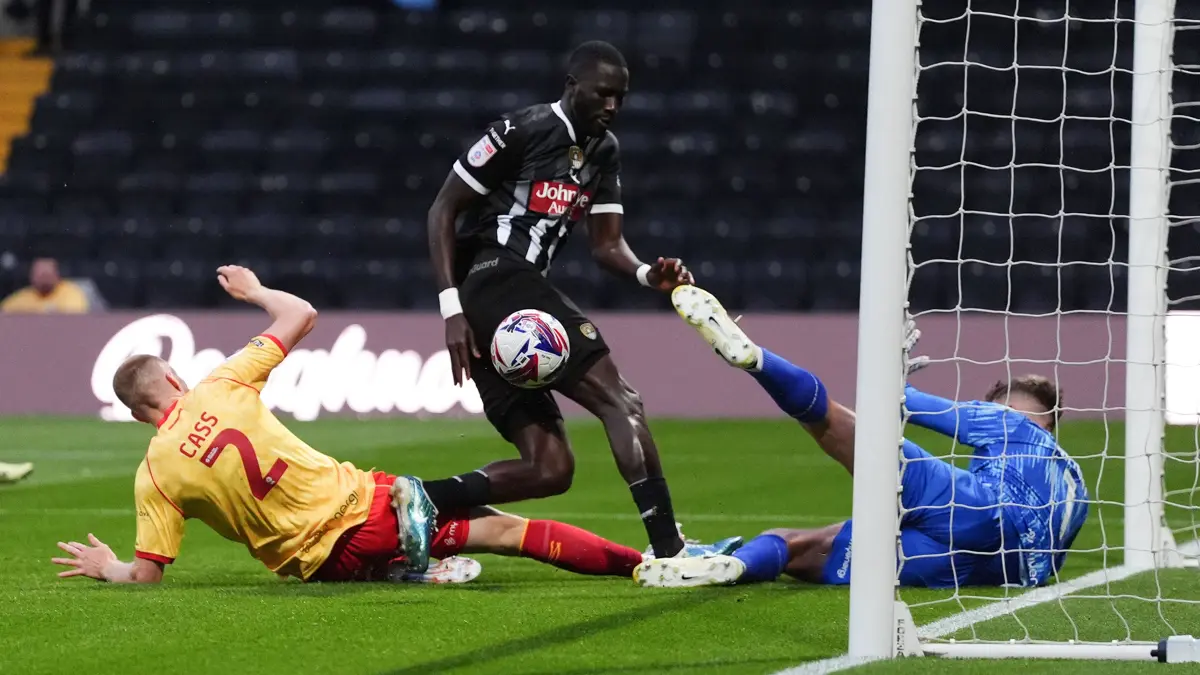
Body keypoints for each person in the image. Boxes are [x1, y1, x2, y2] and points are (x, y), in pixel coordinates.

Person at [50, 266, 649, 585]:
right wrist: (255, 290)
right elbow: (300, 313)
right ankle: (643, 564)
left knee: (452, 524)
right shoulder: (222, 384)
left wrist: (111, 569)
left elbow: (148, 573)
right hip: (363, 513)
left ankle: (400, 567)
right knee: (503, 530)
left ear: (136, 415)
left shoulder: (153, 475)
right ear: (175, 381)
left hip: (312, 562)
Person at [425, 40, 734, 560]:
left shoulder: (603, 150)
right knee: (622, 401)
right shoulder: (521, 130)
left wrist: (644, 274)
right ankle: (670, 550)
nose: (612, 106)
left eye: (621, 97)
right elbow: (442, 209)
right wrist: (451, 308)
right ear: (573, 87)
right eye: (602, 94)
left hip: (508, 303)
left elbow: (606, 244)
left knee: (550, 469)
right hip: (496, 280)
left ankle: (417, 501)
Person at [634, 285, 1090, 590]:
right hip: (984, 570)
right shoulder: (1076, 488)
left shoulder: (1007, 424)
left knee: (842, 425)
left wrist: (896, 372)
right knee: (802, 547)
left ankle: (757, 361)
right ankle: (733, 566)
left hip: (974, 511)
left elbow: (897, 404)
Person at [1, 257, 89, 314]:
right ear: (32, 276)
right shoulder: (23, 297)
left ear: (57, 275)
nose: (44, 280)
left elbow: (74, 316)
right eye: (40, 275)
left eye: (47, 275)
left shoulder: (70, 292)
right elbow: (4, 313)